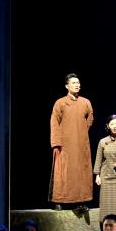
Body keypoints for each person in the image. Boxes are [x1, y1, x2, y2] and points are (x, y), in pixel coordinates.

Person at [50, 72, 94, 212]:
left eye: (78, 83)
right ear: (67, 86)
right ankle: (59, 200)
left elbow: (90, 118)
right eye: (74, 83)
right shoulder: (60, 102)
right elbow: (54, 122)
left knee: (81, 171)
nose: (77, 85)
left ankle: (81, 201)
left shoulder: (85, 102)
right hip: (64, 144)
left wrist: (81, 131)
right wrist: (56, 142)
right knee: (63, 171)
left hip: (81, 143)